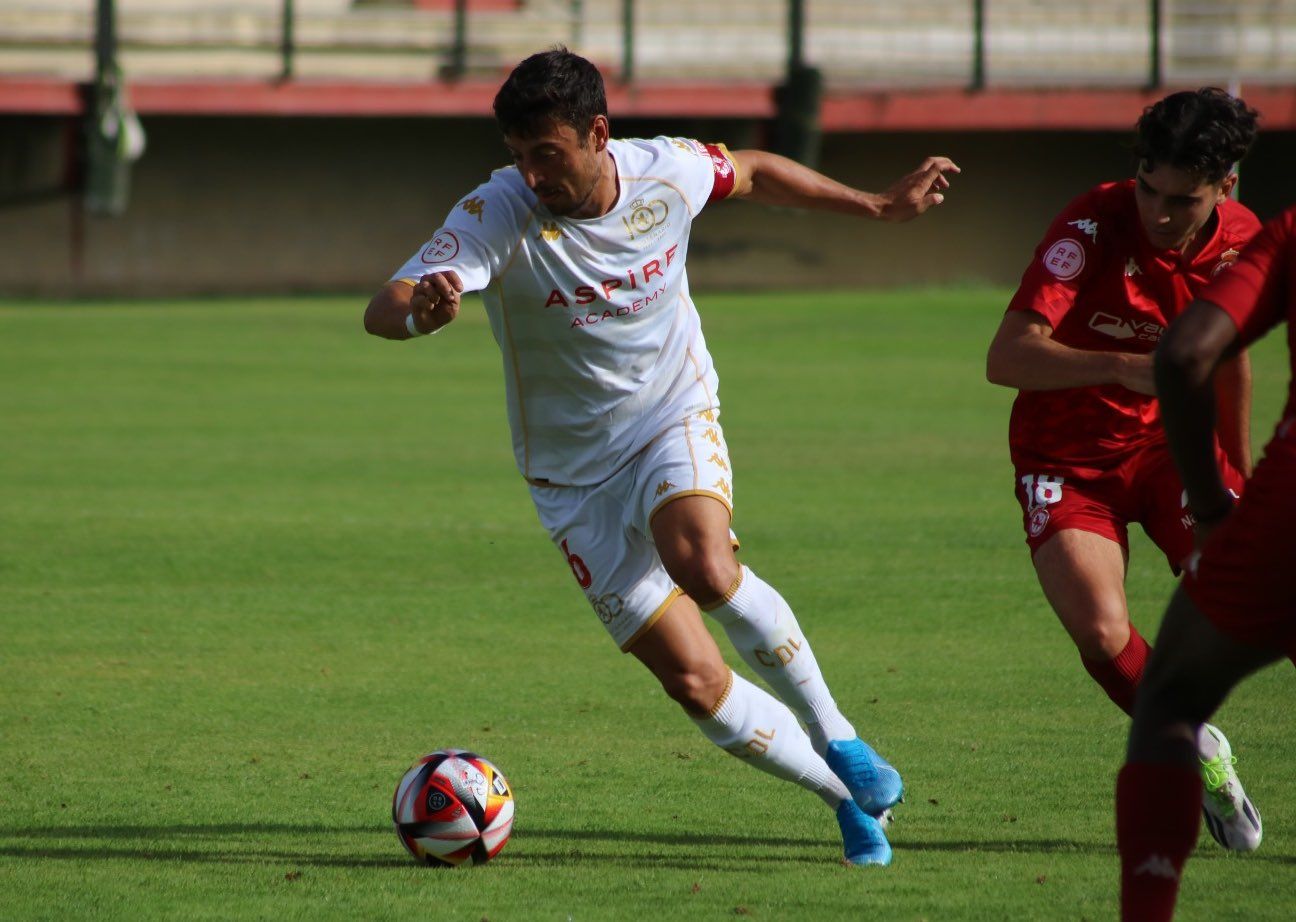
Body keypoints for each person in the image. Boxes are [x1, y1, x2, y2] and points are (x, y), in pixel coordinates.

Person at [363, 47, 959, 866]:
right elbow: (383, 307)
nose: (531, 174)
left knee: (705, 563)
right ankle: (843, 799)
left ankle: (841, 734)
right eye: (518, 156)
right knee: (696, 681)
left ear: (598, 134)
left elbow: (751, 171)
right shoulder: (496, 210)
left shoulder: (668, 171)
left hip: (668, 415)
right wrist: (424, 316)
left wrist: (878, 206)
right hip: (570, 480)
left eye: (547, 154)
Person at [984, 87, 1262, 849]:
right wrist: (1122, 366)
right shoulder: (1090, 225)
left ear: (1226, 187)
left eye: (1183, 200)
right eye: (1149, 188)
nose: (1159, 213)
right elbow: (1005, 357)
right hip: (1064, 461)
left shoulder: (1246, 242)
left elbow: (1231, 362)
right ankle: (1197, 745)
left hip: (1173, 452)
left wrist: (1237, 476)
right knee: (1104, 635)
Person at [1117, 204, 1296, 920]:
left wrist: (1213, 504)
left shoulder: (1286, 232)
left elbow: (1187, 352)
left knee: (1170, 701)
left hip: (1285, 511)